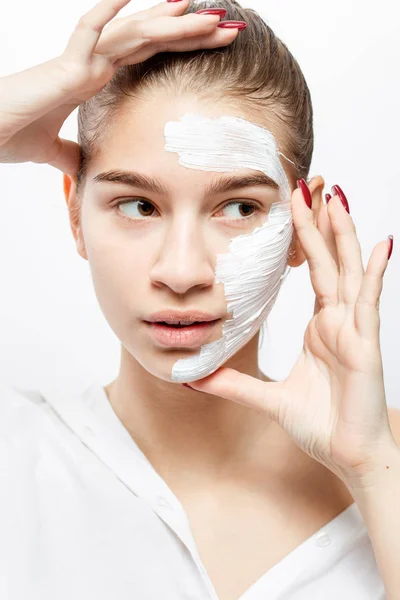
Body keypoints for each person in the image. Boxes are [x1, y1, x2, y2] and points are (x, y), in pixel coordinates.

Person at [0, 0, 398, 598]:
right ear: (75, 215)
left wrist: (372, 470)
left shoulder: (385, 461)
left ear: (302, 223)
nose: (182, 271)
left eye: (239, 207)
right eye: (139, 205)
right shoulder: (17, 453)